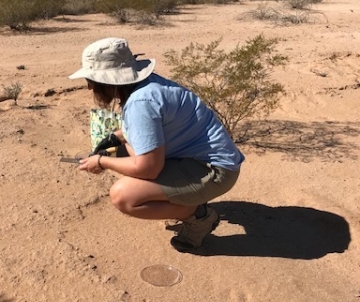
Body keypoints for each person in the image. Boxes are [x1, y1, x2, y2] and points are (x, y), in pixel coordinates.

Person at [68, 37, 245, 252]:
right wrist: (118, 136)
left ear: (108, 80)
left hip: (216, 171)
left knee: (124, 196)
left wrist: (102, 162)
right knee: (123, 151)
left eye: (92, 80)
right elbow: (150, 130)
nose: (89, 87)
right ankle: (181, 200)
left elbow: (148, 168)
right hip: (202, 159)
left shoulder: (140, 103)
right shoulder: (147, 85)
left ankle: (198, 215)